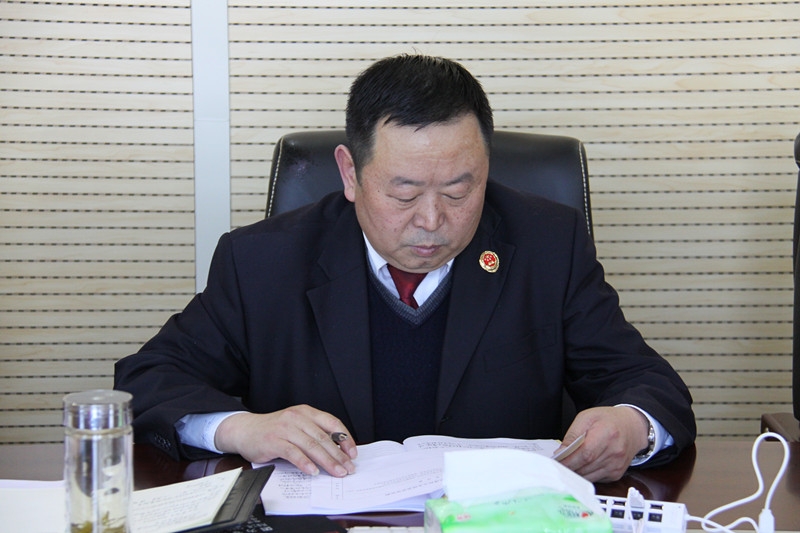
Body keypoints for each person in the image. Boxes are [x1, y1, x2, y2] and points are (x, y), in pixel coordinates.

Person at [114, 54, 696, 483]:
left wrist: (630, 425)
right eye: (404, 193)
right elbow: (148, 378)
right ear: (350, 173)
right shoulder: (262, 261)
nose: (432, 220)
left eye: (459, 189)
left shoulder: (548, 245)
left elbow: (647, 384)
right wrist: (242, 428)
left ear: (486, 167)